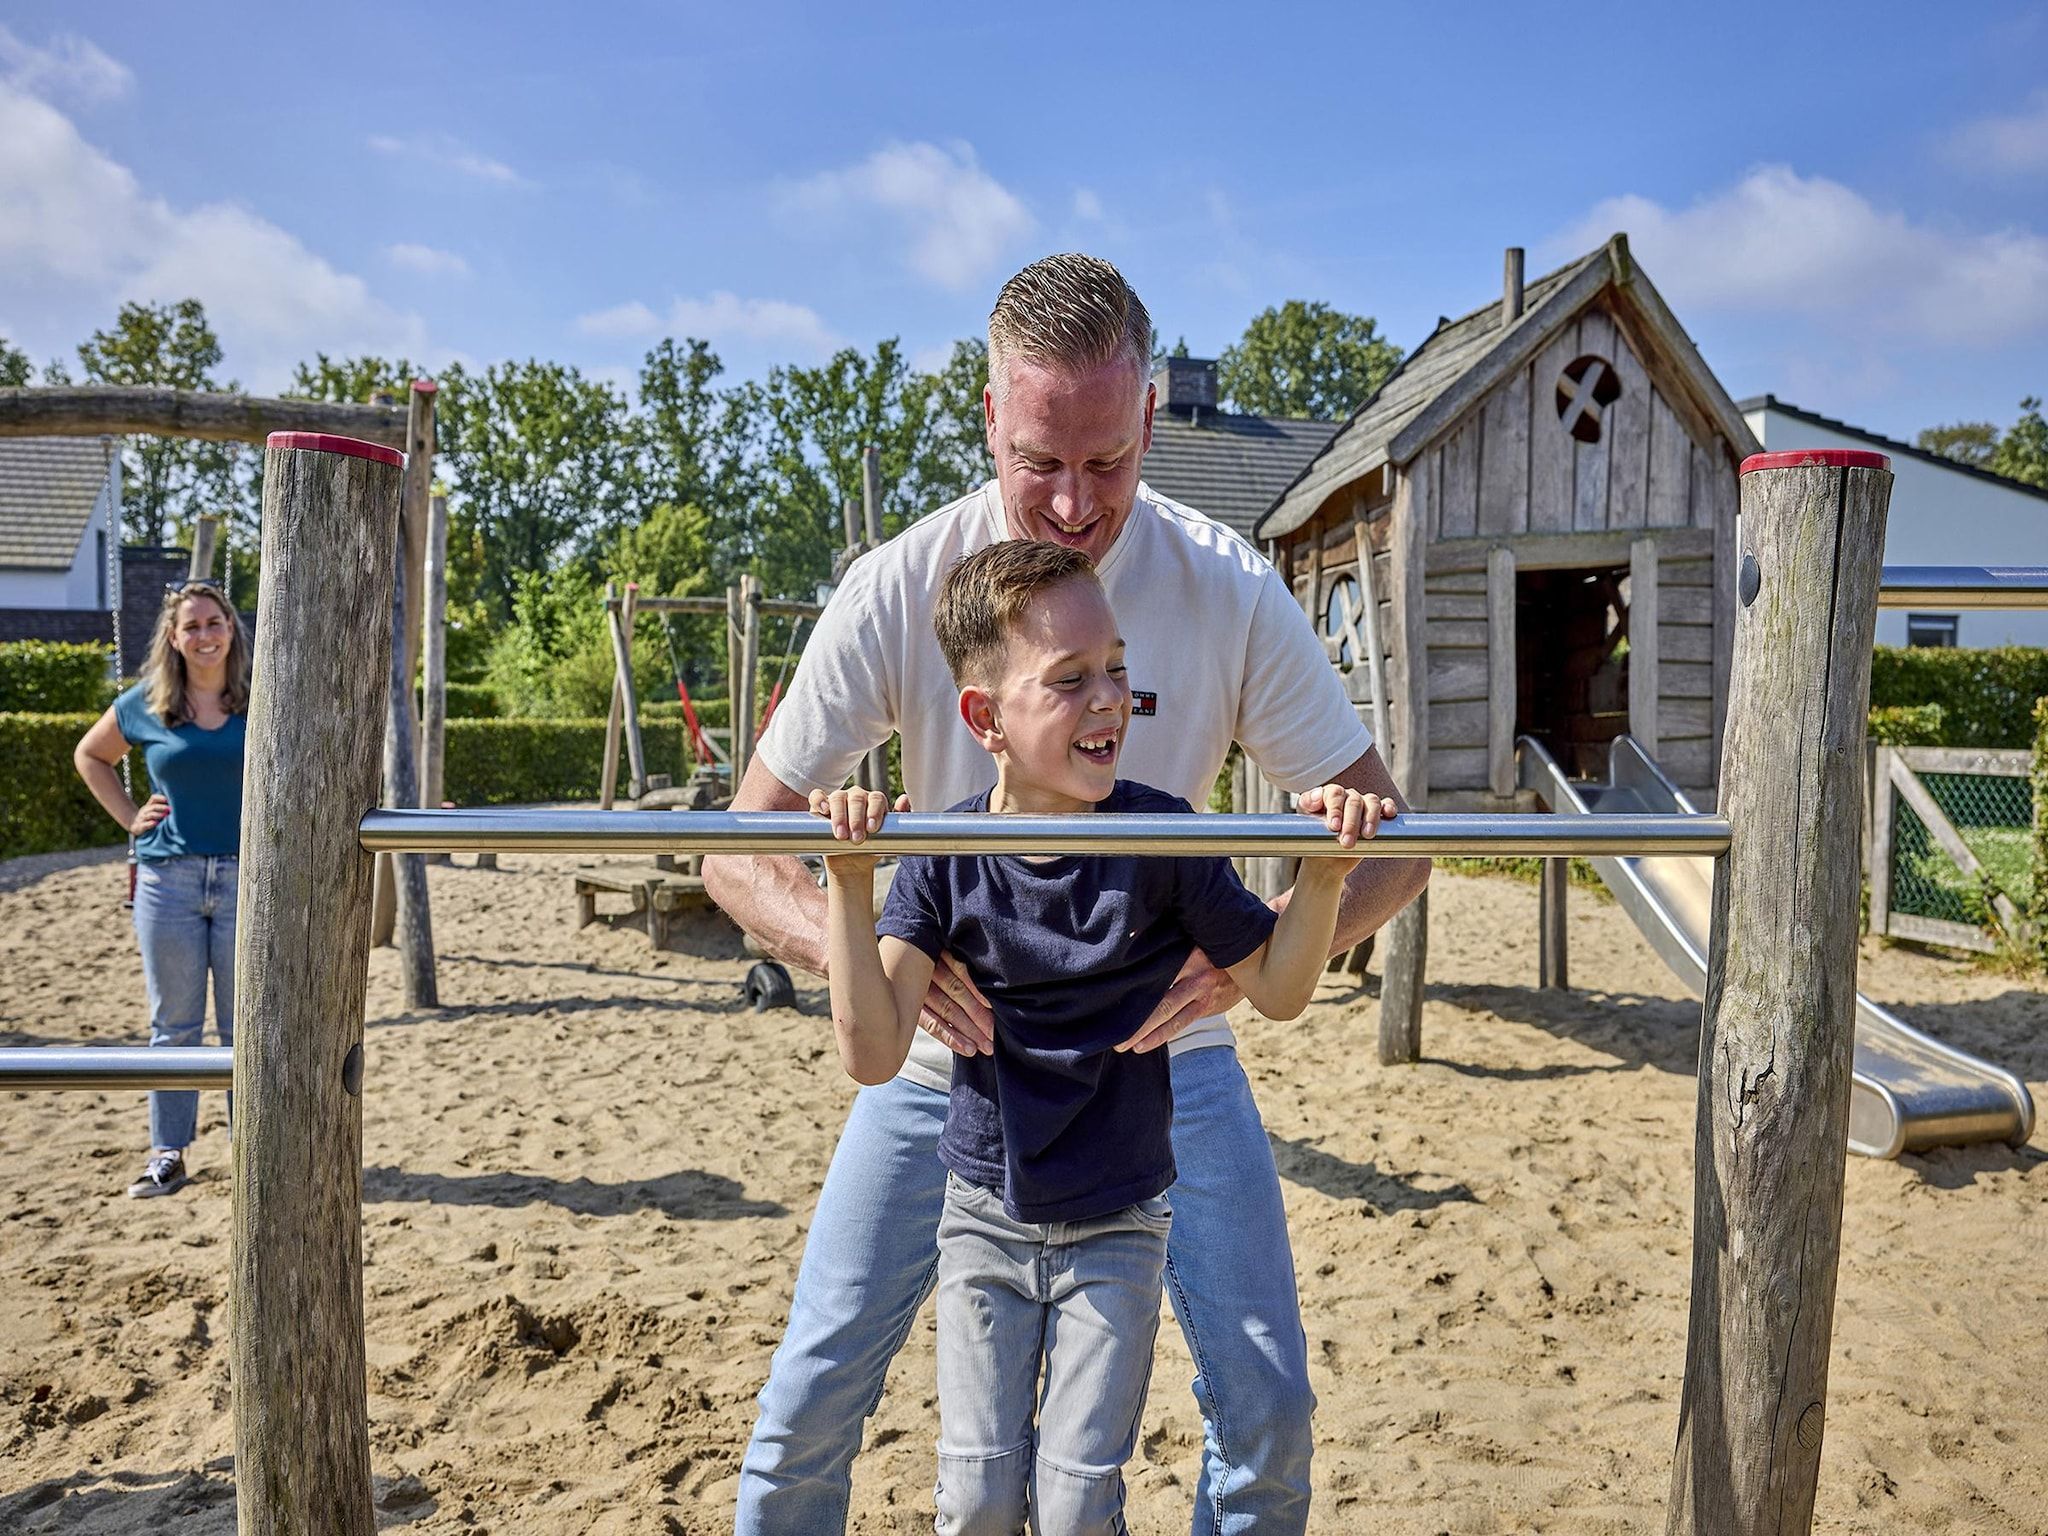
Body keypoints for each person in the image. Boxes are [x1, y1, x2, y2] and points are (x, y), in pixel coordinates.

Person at [703, 252, 1431, 1535]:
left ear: (1150, 415)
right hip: (957, 1055)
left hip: (1168, 1055)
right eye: (1041, 459)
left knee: (1265, 1408)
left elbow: (1394, 838)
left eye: (1106, 460)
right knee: (810, 1400)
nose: (1074, 500)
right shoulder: (903, 583)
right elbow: (736, 843)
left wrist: (1229, 971)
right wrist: (868, 960)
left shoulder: (1221, 586)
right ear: (989, 415)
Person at [810, 540, 1389, 1532]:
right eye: (1070, 680)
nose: (1109, 698)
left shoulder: (1161, 836)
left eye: (1116, 668)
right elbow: (870, 1052)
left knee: (1079, 1502)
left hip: (1117, 1224)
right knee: (981, 1498)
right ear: (984, 720)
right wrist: (849, 880)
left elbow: (1280, 990)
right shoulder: (943, 855)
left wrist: (1324, 875)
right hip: (984, 1218)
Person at [73, 579, 249, 1199]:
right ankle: (168, 1153)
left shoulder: (262, 699)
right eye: (191, 626)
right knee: (174, 1025)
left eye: (214, 622)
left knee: (243, 1026)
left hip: (246, 881)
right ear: (173, 640)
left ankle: (249, 1151)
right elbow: (90, 756)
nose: (205, 635)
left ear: (232, 628)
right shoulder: (146, 703)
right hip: (167, 880)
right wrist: (129, 818)